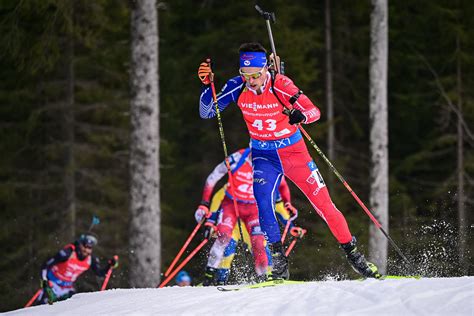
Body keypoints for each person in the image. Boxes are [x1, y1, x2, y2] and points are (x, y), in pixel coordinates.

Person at [197, 42, 381, 280]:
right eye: (246, 75)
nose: (251, 81)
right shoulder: (236, 87)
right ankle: (279, 267)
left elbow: (314, 112)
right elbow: (207, 112)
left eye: (255, 75)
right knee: (264, 204)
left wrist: (300, 115)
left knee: (324, 205)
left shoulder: (281, 85)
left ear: (265, 69)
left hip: (294, 154)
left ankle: (356, 258)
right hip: (264, 156)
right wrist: (206, 87)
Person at [195, 148, 300, 285]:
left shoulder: (269, 162)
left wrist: (288, 206)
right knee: (223, 238)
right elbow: (213, 177)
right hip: (232, 205)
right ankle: (209, 278)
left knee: (259, 242)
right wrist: (204, 204)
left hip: (253, 209)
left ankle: (264, 278)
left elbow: (283, 185)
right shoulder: (237, 159)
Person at [37, 233, 118, 304]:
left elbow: (100, 273)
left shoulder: (91, 259)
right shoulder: (68, 253)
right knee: (44, 308)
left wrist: (109, 265)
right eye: (85, 246)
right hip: (52, 285)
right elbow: (46, 265)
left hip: (67, 289)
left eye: (89, 248)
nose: (86, 250)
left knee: (70, 309)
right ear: (80, 244)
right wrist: (44, 282)